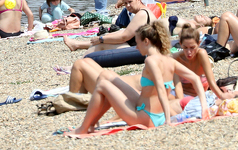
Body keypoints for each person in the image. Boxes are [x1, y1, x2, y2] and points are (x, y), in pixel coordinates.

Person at [69, 21, 209, 135]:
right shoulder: (169, 60)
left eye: (137, 43)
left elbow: (160, 88)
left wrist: (168, 120)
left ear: (146, 41)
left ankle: (83, 128)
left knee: (102, 86)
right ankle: (93, 123)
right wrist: (204, 108)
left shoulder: (151, 61)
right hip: (149, 110)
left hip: (145, 117)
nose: (136, 48)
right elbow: (195, 79)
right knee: (107, 76)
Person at [64, 0, 154, 53]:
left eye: (130, 2)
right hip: (143, 46)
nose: (128, 6)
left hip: (142, 50)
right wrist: (105, 36)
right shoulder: (144, 11)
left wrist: (101, 39)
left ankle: (75, 66)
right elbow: (126, 33)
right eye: (125, 3)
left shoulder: (142, 14)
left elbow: (124, 37)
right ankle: (77, 45)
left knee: (101, 44)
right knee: (112, 35)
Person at [174, 26, 238, 103]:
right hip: (183, 95)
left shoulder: (201, 54)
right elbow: (178, 87)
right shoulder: (176, 58)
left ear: (199, 43)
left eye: (192, 47)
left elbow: (211, 82)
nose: (189, 52)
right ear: (180, 44)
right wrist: (182, 104)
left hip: (201, 96)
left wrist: (221, 95)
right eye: (185, 47)